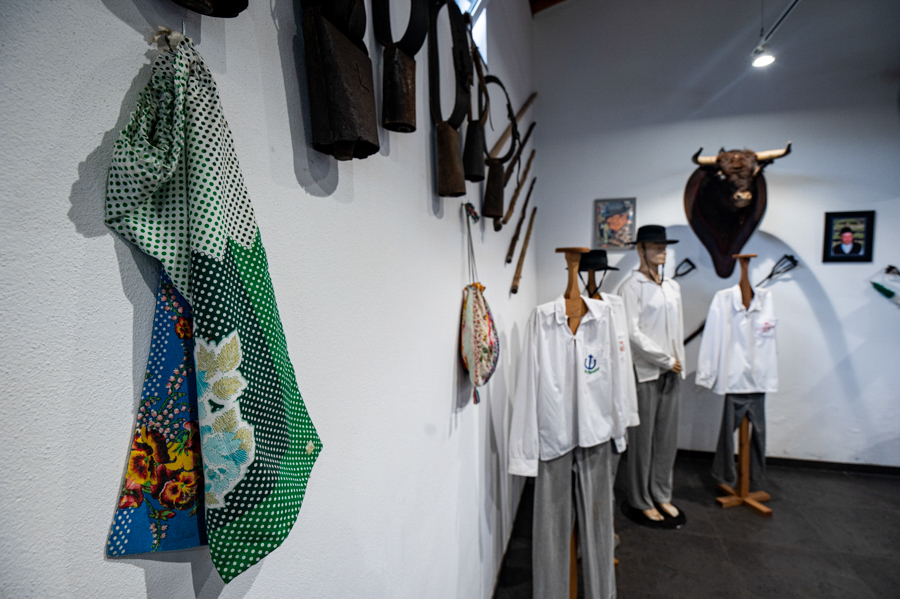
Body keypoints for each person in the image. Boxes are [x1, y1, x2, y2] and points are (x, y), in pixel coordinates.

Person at [617, 225, 686, 524]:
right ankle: (640, 499)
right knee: (642, 441)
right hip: (646, 371)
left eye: (664, 246)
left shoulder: (672, 286)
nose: (663, 251)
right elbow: (631, 333)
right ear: (641, 249)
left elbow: (677, 327)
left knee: (667, 439)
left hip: (672, 370)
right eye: (656, 246)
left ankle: (662, 494)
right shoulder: (631, 287)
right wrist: (665, 359)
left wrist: (678, 361)